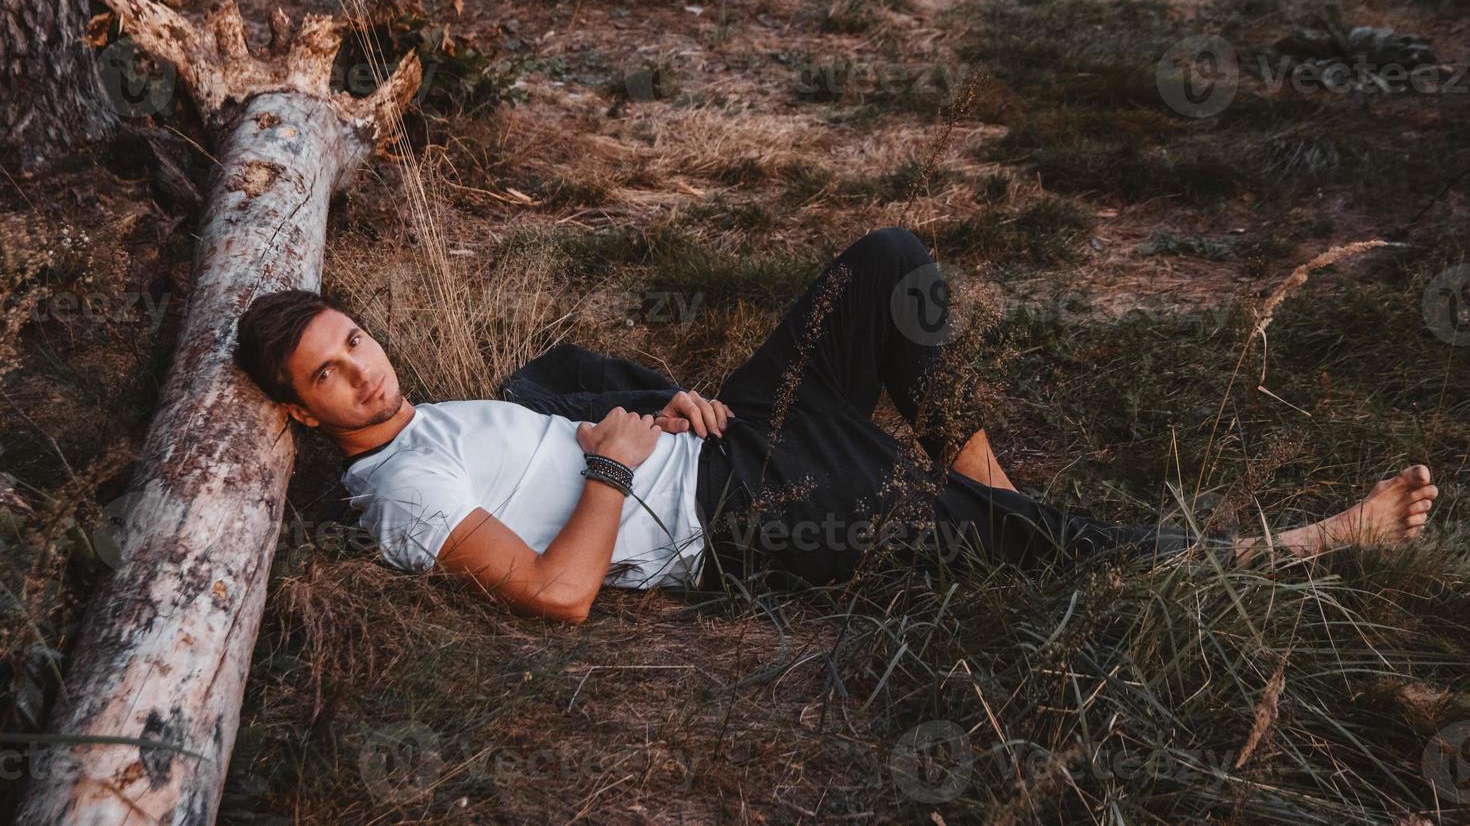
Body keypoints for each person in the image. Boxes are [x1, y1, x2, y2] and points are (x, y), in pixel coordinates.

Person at [232, 227, 1439, 624]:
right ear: (298, 409)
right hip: (739, 515)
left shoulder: (422, 412)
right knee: (1001, 543)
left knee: (887, 267)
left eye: (357, 340)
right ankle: (1313, 541)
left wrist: (653, 402)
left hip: (724, 437)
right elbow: (556, 595)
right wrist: (616, 466)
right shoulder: (398, 497)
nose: (366, 371)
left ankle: (998, 504)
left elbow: (554, 417)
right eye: (331, 376)